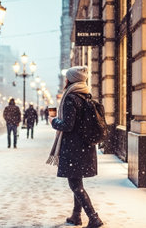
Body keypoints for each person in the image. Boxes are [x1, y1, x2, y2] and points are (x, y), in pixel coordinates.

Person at [47, 66, 103, 228]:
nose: (65, 80)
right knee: (77, 182)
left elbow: (67, 125)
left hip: (74, 147)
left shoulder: (71, 98)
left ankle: (93, 218)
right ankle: (76, 216)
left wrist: (53, 121)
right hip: (85, 146)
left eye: (67, 77)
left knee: (75, 185)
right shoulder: (86, 95)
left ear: (71, 79)